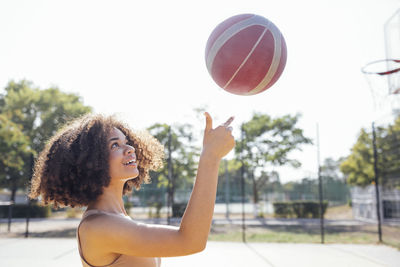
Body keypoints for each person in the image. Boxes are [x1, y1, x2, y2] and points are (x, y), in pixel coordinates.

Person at [29, 112, 235, 267]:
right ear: (90, 162)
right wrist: (210, 157)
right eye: (114, 145)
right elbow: (190, 241)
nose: (130, 149)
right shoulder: (98, 226)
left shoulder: (115, 217)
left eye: (126, 142)